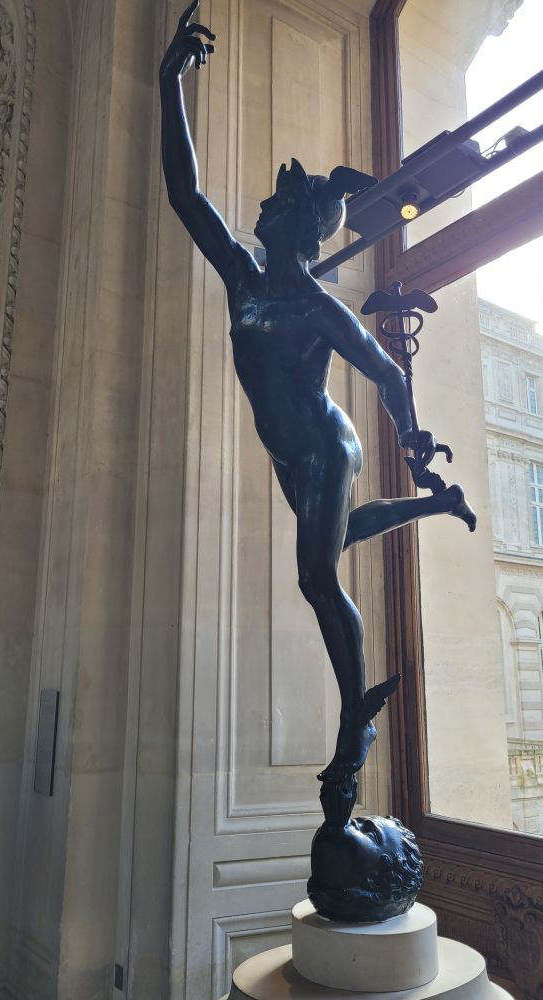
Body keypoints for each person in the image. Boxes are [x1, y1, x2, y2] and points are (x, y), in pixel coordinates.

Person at [159, 1, 476, 783]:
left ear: (298, 226)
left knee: (315, 575)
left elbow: (388, 372)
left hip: (327, 446)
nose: (259, 206)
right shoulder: (241, 277)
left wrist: (410, 437)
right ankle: (436, 507)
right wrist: (169, 84)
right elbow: (185, 195)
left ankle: (355, 718)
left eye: (274, 203)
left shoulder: (319, 309)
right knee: (332, 542)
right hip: (286, 450)